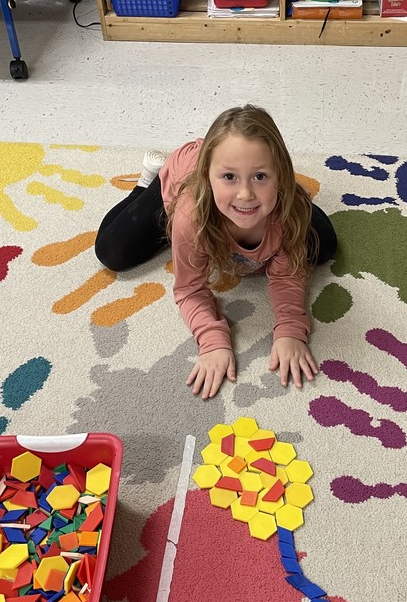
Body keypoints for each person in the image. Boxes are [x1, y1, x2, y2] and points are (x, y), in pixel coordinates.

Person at [94, 105, 337, 399]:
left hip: (271, 197)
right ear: (208, 176)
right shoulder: (189, 216)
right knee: (112, 253)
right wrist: (212, 340)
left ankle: (251, 173)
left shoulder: (287, 210)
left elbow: (288, 274)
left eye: (260, 176)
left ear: (282, 176)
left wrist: (289, 329)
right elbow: (189, 289)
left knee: (324, 245)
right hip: (180, 179)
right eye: (229, 177)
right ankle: (145, 185)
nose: (245, 194)